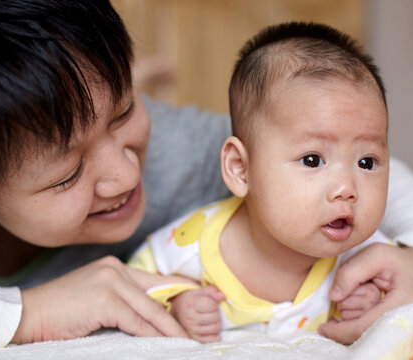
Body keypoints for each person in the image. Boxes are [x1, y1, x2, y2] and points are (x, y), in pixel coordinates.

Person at [0, 0, 413, 353]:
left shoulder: (178, 153)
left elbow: (366, 165)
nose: (124, 172)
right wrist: (29, 313)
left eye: (125, 112)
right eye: (67, 174)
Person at [128, 21, 392, 343]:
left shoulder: (369, 256)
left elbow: (401, 296)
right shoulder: (186, 250)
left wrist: (372, 300)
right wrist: (176, 301)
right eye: (312, 160)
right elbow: (134, 284)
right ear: (240, 169)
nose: (347, 189)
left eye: (367, 162)